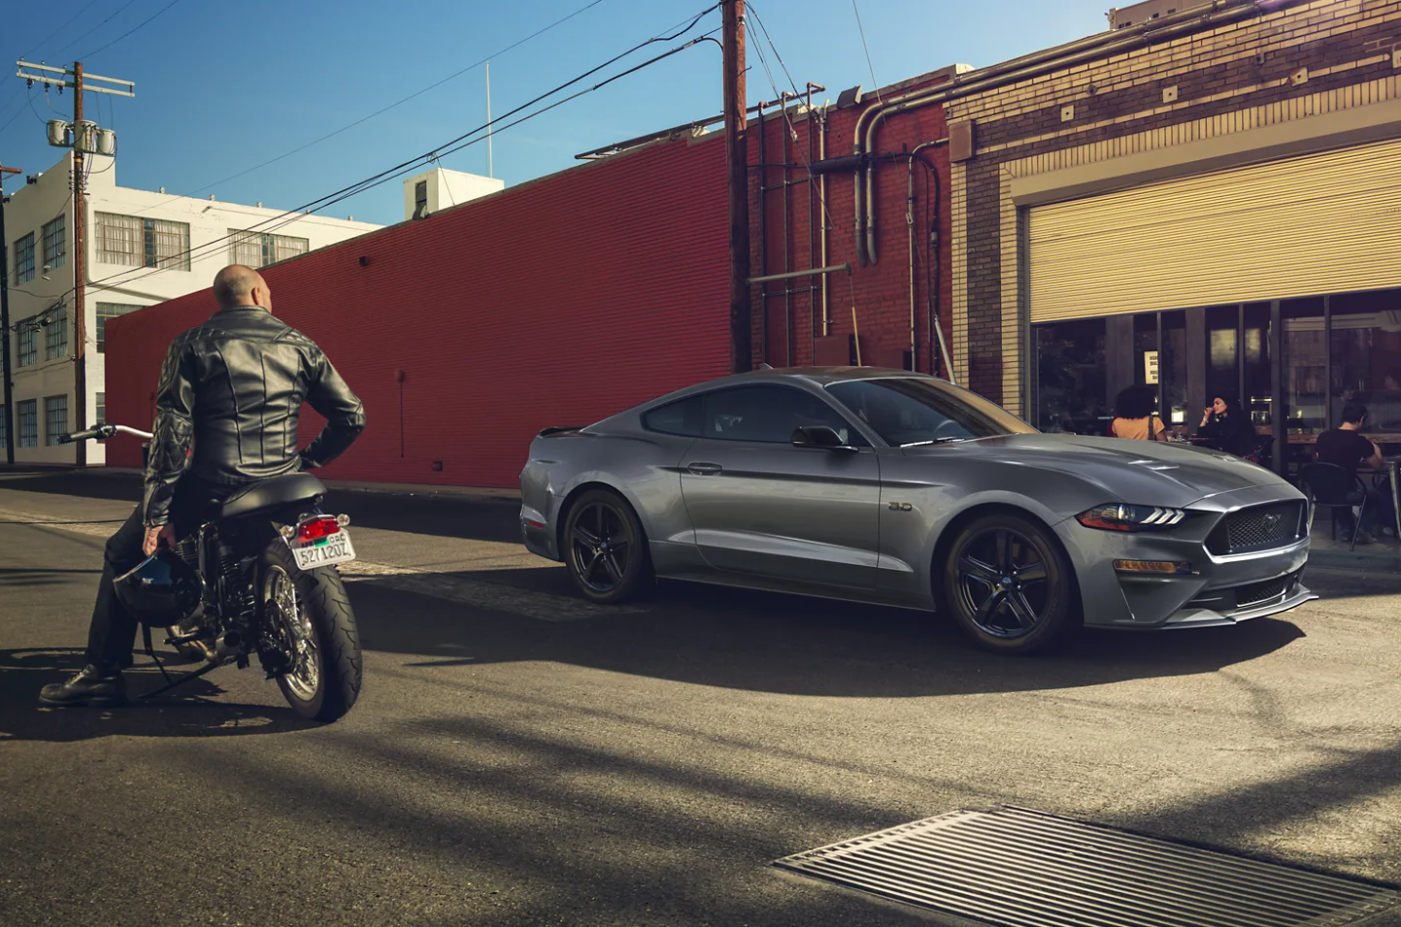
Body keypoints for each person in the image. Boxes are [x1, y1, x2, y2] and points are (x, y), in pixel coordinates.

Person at [39, 265, 367, 707]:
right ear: (256, 293)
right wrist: (308, 459)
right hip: (288, 482)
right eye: (269, 294)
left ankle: (101, 673)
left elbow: (172, 432)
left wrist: (158, 515)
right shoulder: (299, 344)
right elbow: (351, 416)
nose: (272, 301)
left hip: (216, 484)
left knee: (122, 550)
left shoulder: (192, 344)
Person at [1313, 401, 1396, 543]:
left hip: (1321, 492)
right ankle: (1362, 530)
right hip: (1346, 492)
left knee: (1339, 488)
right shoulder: (1359, 441)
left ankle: (1346, 530)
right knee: (1375, 496)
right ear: (1362, 419)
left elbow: (1318, 458)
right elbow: (1377, 465)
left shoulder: (1323, 437)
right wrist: (1376, 449)